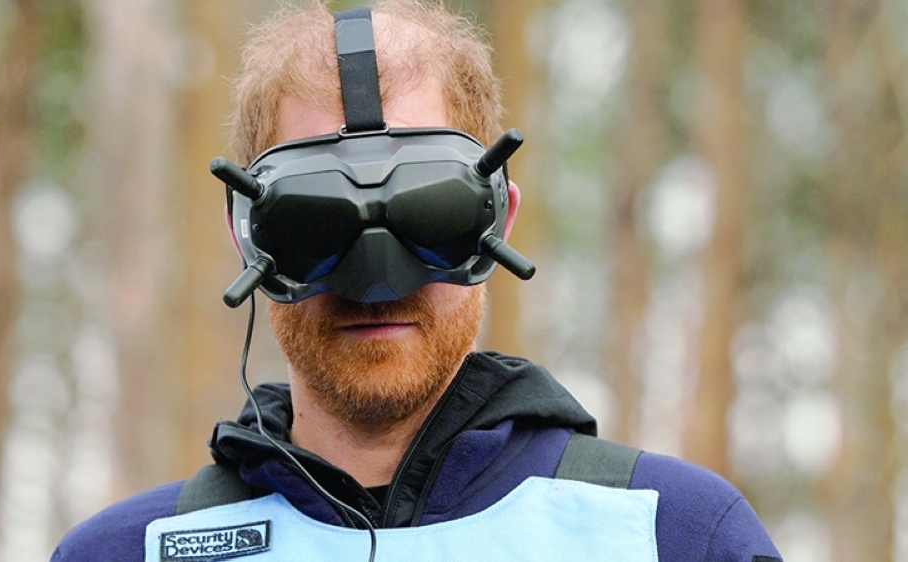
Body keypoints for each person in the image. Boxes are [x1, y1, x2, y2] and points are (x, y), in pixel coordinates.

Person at [52, 1, 783, 560]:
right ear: (246, 231)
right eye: (315, 221)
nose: (375, 280)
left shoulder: (673, 537)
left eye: (430, 213)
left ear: (498, 216)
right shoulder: (124, 553)